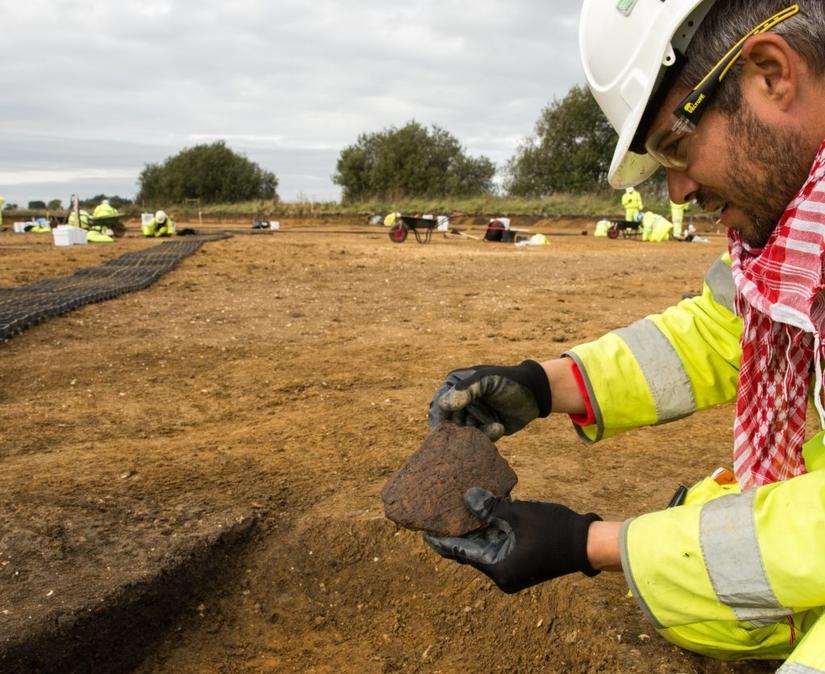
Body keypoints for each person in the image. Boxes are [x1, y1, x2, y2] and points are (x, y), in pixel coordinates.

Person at [424, 1, 825, 670]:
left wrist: (596, 545)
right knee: (705, 534)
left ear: (770, 73)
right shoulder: (796, 220)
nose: (675, 192)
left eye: (674, 146)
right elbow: (728, 330)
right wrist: (547, 384)